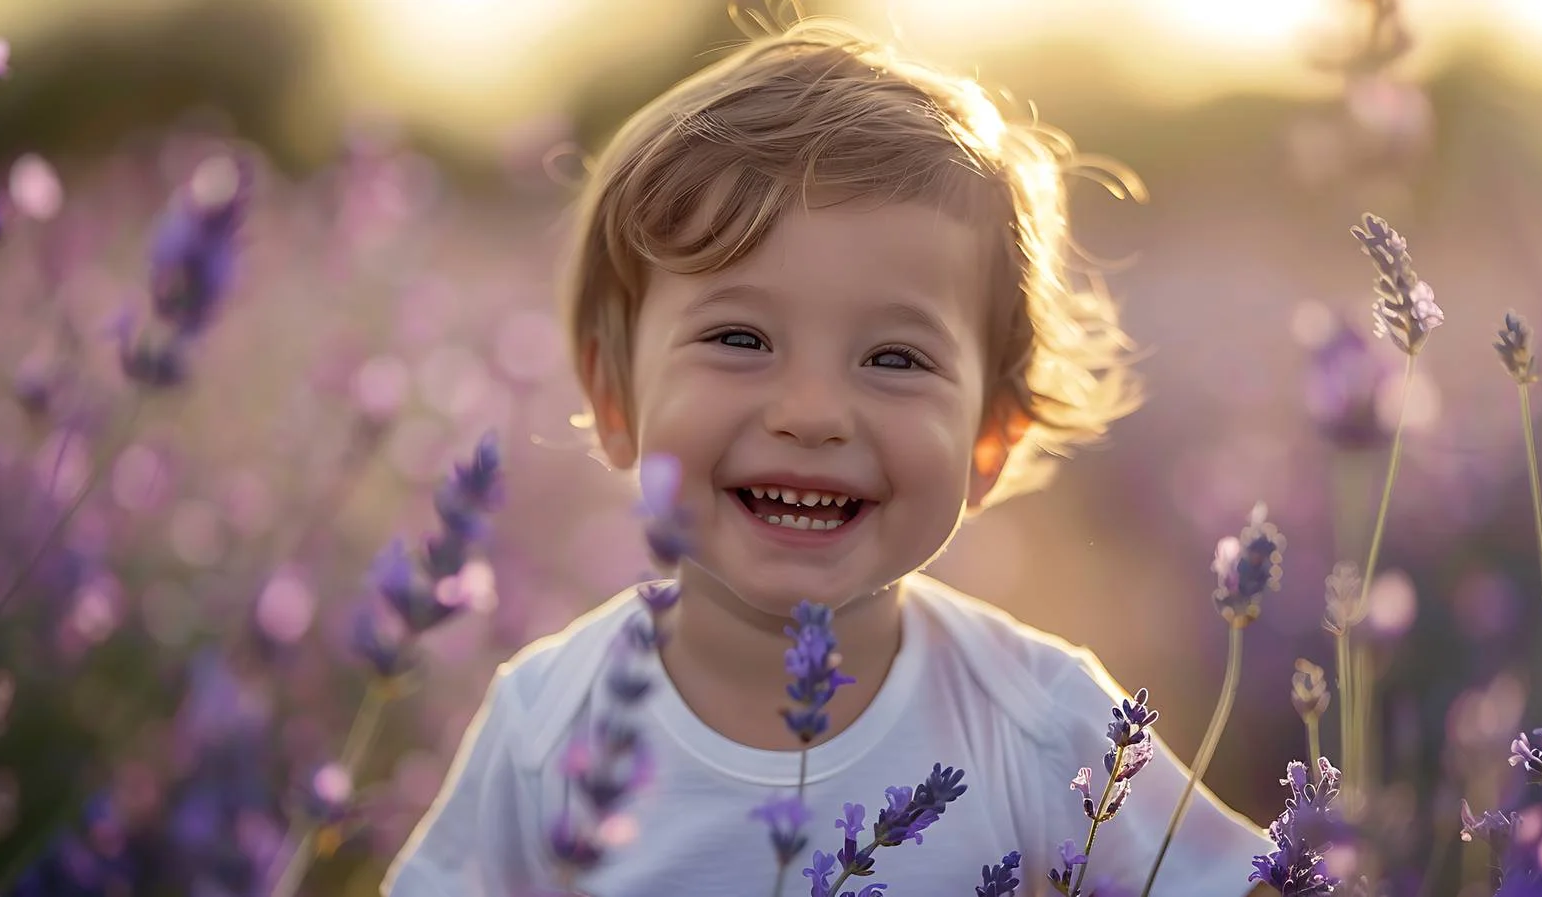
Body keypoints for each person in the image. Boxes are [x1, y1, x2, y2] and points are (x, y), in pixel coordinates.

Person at [384, 13, 1274, 897]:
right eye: (739, 338)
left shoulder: (1043, 722)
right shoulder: (546, 726)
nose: (812, 415)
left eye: (895, 358)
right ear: (616, 399)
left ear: (988, 439)